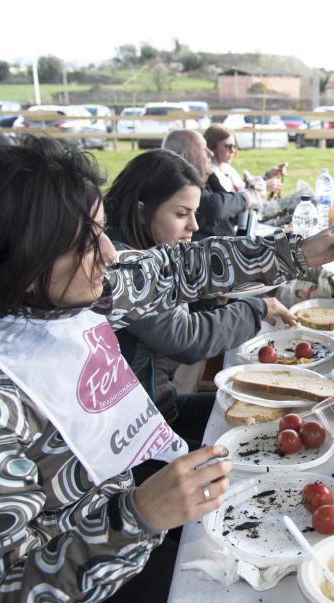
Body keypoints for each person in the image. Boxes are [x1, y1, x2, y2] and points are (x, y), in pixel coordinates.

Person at [0, 137, 334, 603]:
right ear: (20, 257)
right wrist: (137, 516)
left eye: (100, 231)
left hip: (126, 537)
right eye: (88, 241)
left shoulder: (47, 290)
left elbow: (172, 269)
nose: (109, 253)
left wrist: (295, 252)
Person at [104, 149, 298, 447]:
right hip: (137, 435)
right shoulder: (124, 267)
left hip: (162, 409)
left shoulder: (151, 251)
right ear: (142, 212)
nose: (193, 226)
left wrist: (213, 300)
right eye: (181, 214)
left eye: (194, 213)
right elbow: (186, 338)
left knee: (277, 411)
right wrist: (256, 309)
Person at [161, 129, 252, 239]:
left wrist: (210, 175)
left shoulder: (206, 180)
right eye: (203, 149)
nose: (211, 153)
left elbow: (231, 213)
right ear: (183, 158)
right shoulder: (177, 187)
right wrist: (248, 197)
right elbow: (215, 207)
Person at [203, 124, 287, 235]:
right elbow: (234, 201)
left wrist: (267, 176)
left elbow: (243, 190)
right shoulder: (210, 174)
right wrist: (264, 185)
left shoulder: (226, 168)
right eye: (228, 146)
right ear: (212, 147)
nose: (232, 150)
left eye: (235, 146)